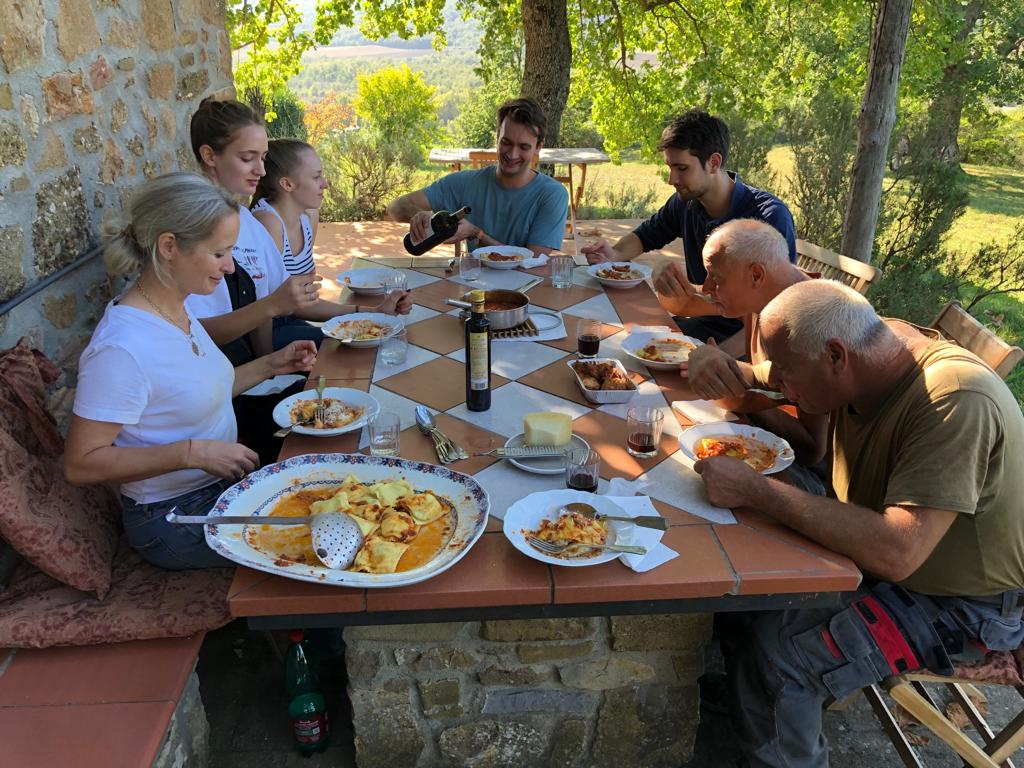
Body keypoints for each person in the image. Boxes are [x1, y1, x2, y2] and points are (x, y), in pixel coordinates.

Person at [694, 280, 1024, 767]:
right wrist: (711, 365)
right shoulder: (869, 352)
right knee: (750, 558)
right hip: (889, 552)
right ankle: (754, 702)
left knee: (782, 654)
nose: (779, 387)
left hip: (964, 605)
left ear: (835, 356)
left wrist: (756, 489)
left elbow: (897, 551)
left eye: (787, 374)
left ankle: (769, 695)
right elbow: (757, 375)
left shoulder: (954, 399)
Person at [64, 173, 318, 570]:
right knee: (314, 546)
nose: (231, 267)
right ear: (169, 246)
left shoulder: (175, 308)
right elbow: (81, 463)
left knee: (332, 501)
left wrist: (274, 364)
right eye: (219, 253)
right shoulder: (121, 348)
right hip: (170, 518)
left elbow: (205, 388)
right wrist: (190, 453)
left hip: (220, 488)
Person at [187, 98, 411, 354]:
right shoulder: (194, 226)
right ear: (209, 156)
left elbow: (278, 304)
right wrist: (267, 365)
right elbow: (194, 333)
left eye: (263, 158)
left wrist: (271, 370)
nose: (261, 170)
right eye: (248, 158)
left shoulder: (248, 224)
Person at [583, 109, 797, 344]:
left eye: (682, 168)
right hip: (699, 325)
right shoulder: (685, 203)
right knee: (610, 337)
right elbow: (647, 235)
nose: (671, 179)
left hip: (749, 341)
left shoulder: (769, 217)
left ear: (714, 162)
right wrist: (613, 255)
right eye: (669, 167)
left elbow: (779, 312)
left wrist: (720, 360)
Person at [683, 219, 826, 491]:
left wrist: (741, 398)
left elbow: (812, 452)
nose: (707, 287)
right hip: (757, 438)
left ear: (757, 275)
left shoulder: (808, 325)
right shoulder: (763, 297)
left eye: (716, 277)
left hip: (810, 481)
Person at [386, 97, 569, 256]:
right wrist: (419, 216)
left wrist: (476, 234)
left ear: (539, 146)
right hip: (473, 291)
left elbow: (531, 262)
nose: (512, 154)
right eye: (506, 142)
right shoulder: (465, 182)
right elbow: (396, 207)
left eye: (523, 147)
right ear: (497, 137)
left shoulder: (552, 195)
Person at [251, 138, 327, 276]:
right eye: (316, 177)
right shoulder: (269, 224)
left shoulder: (310, 216)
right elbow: (267, 293)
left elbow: (307, 284)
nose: (325, 184)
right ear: (287, 184)